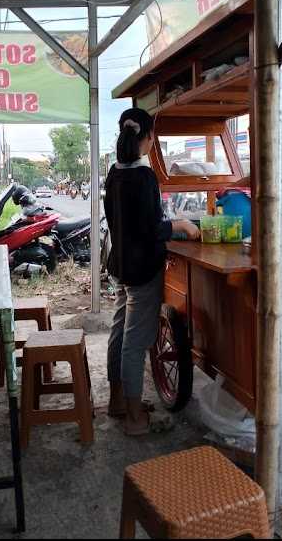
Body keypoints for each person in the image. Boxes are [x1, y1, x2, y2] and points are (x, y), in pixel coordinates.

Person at [104, 107, 200, 436]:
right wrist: (181, 224)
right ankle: (134, 417)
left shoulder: (114, 173)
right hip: (142, 269)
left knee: (120, 332)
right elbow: (150, 228)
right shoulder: (143, 176)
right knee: (135, 340)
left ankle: (118, 401)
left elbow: (127, 223)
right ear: (148, 138)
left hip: (120, 265)